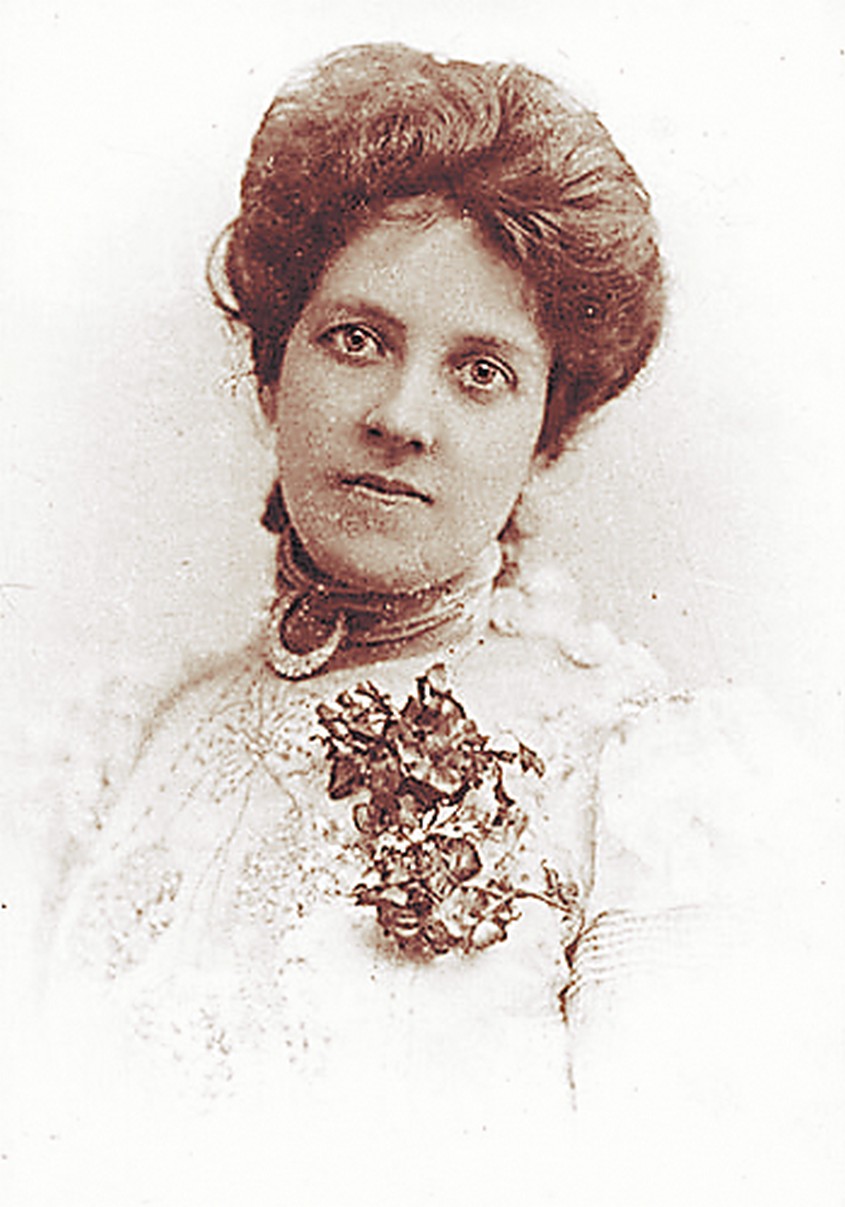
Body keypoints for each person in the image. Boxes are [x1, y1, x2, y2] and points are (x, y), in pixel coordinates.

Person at [51, 42, 790, 1194]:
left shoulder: (641, 777)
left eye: (480, 371)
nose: (401, 416)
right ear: (271, 374)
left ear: (542, 435)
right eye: (356, 339)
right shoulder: (121, 750)